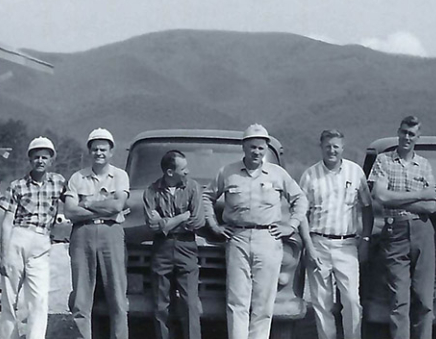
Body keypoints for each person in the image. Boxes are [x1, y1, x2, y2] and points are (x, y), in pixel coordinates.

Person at [203, 124, 308, 339]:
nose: (256, 152)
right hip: (237, 238)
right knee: (237, 300)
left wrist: (291, 225)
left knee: (263, 302)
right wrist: (214, 225)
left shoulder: (278, 174)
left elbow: (300, 198)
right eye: (252, 147)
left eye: (260, 148)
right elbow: (207, 197)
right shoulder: (227, 172)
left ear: (266, 149)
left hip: (268, 239)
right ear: (244, 147)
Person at [298, 130, 373, 339]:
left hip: (346, 244)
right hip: (318, 242)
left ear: (343, 147)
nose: (332, 150)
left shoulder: (355, 172)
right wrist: (309, 247)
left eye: (336, 146)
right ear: (321, 147)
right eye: (328, 146)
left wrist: (365, 239)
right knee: (322, 302)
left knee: (351, 299)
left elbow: (367, 207)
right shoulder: (309, 175)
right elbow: (301, 214)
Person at [370, 116, 436, 339]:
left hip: (422, 231)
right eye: (404, 132)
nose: (407, 137)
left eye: (412, 134)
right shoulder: (383, 161)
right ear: (398, 132)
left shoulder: (424, 164)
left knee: (424, 299)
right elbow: (380, 196)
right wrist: (419, 194)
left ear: (418, 137)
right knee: (399, 300)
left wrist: (396, 198)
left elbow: (430, 206)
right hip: (394, 232)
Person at [64, 128, 130, 339]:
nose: (99, 153)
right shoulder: (77, 178)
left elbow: (117, 206)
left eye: (103, 149)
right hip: (82, 234)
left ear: (111, 151)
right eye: (95, 149)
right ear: (89, 152)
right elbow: (70, 211)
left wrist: (89, 202)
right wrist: (104, 205)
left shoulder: (120, 176)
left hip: (112, 233)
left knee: (117, 295)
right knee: (81, 297)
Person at [0, 136, 66, 339]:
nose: (40, 161)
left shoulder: (59, 182)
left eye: (45, 157)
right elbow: (7, 221)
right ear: (30, 160)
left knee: (39, 298)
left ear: (51, 160)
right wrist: (3, 255)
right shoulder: (17, 186)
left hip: (41, 241)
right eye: (36, 157)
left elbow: (73, 203)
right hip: (17, 238)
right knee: (9, 297)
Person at [143, 150, 205, 339]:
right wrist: (182, 216)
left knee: (190, 304)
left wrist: (167, 222)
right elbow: (153, 225)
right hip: (161, 248)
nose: (188, 171)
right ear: (170, 172)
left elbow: (197, 221)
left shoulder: (193, 188)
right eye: (183, 168)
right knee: (161, 304)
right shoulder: (151, 191)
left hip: (187, 248)